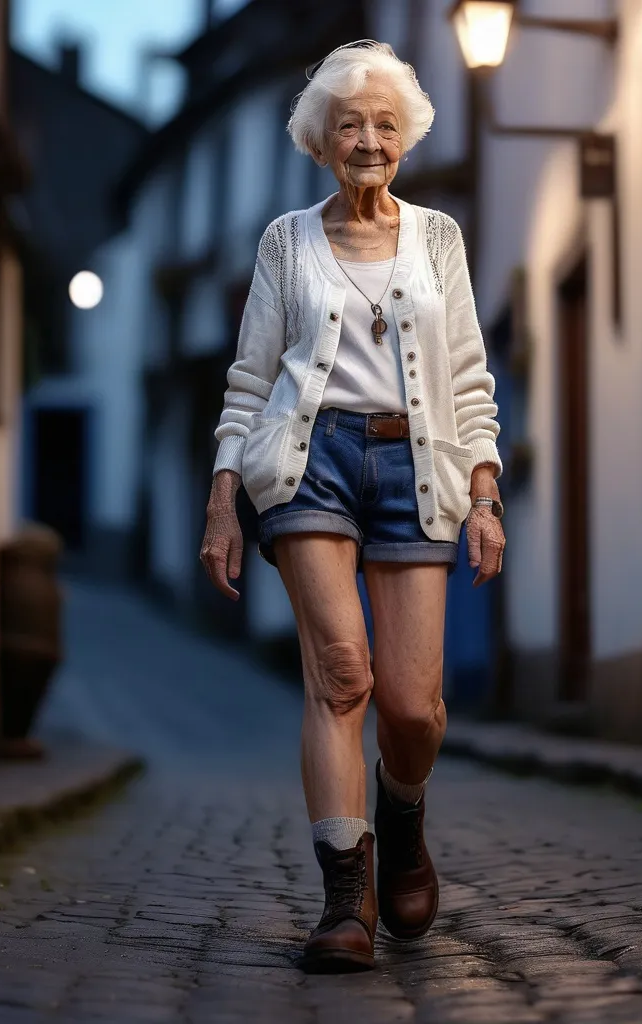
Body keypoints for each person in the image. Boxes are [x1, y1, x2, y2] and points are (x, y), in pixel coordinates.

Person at [200, 40, 506, 974]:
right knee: (342, 676)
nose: (368, 140)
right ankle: (346, 898)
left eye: (384, 124)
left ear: (404, 137)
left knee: (413, 709)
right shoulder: (285, 241)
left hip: (416, 468)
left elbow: (465, 376)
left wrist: (485, 493)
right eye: (349, 125)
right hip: (308, 466)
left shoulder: (439, 239)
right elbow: (251, 381)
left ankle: (402, 818)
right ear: (320, 141)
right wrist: (223, 498)